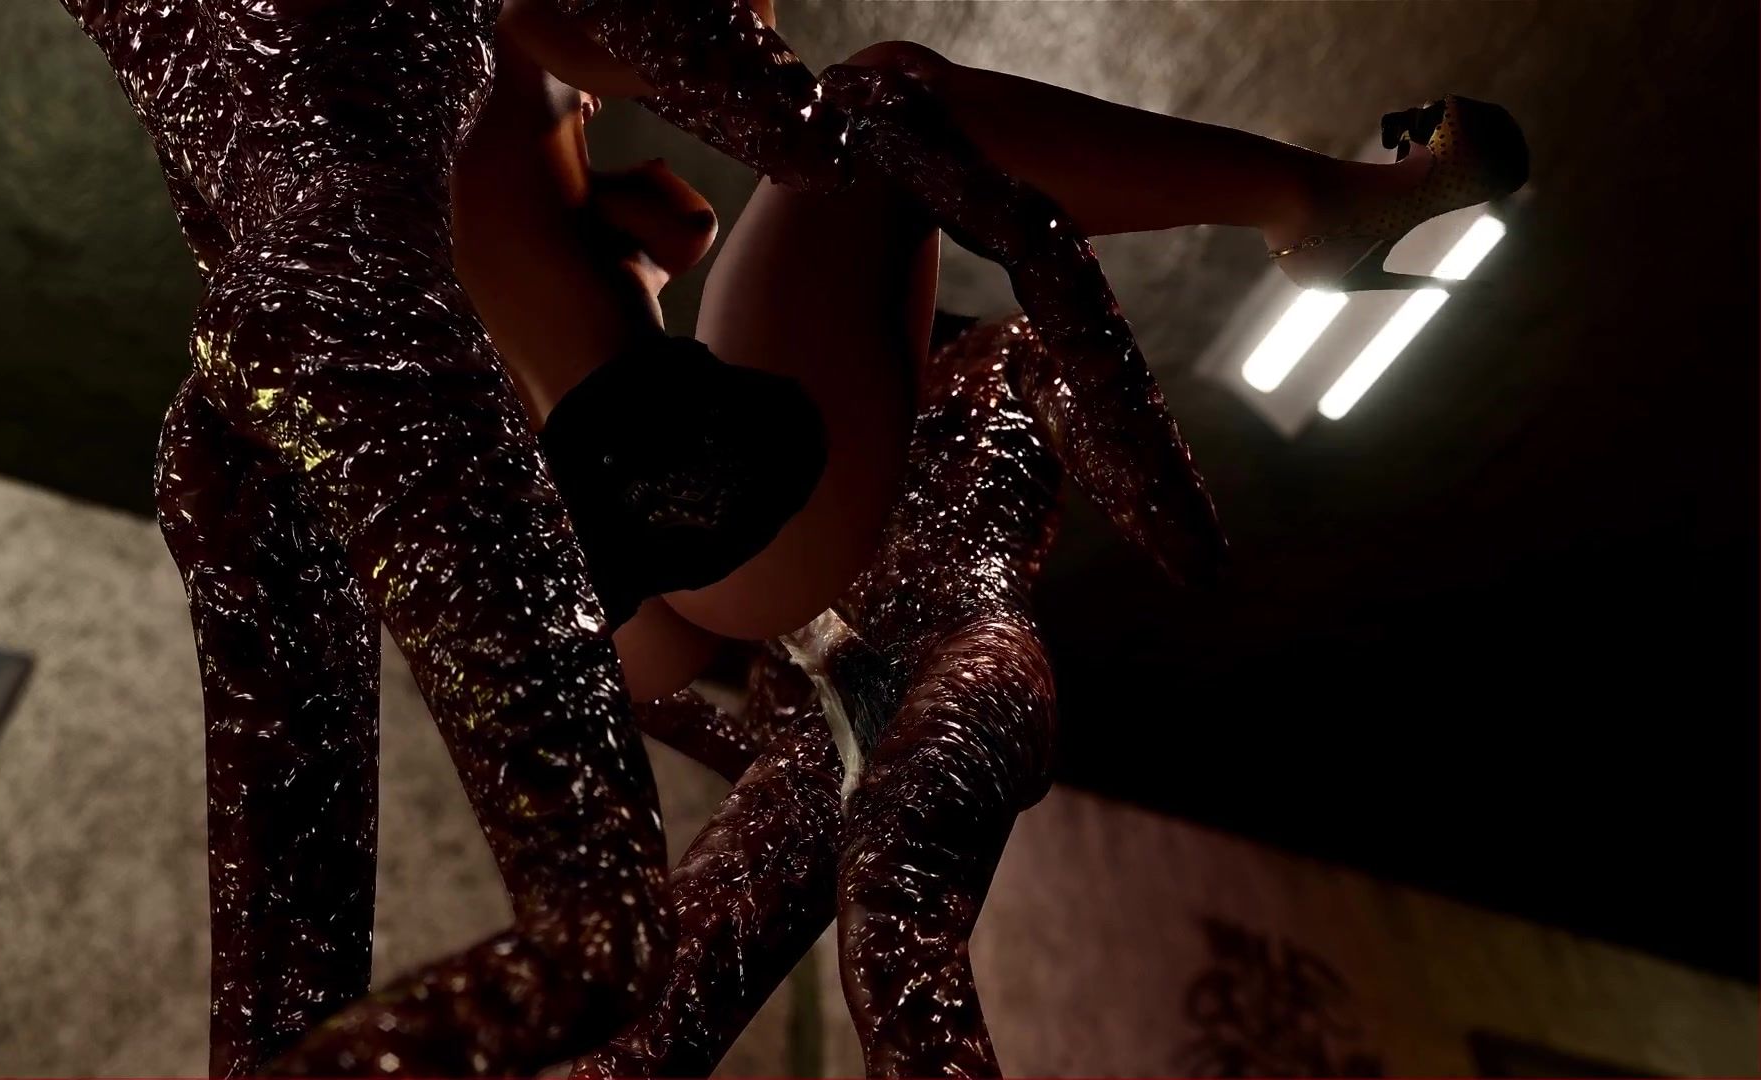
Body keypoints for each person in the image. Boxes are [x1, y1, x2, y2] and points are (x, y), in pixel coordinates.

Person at [461, 0, 1528, 700]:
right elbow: (745, 84)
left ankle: (1311, 207)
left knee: (879, 123)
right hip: (677, 463)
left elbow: (671, 225)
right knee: (883, 105)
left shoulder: (419, 159)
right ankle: (1314, 206)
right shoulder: (506, 22)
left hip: (612, 546)